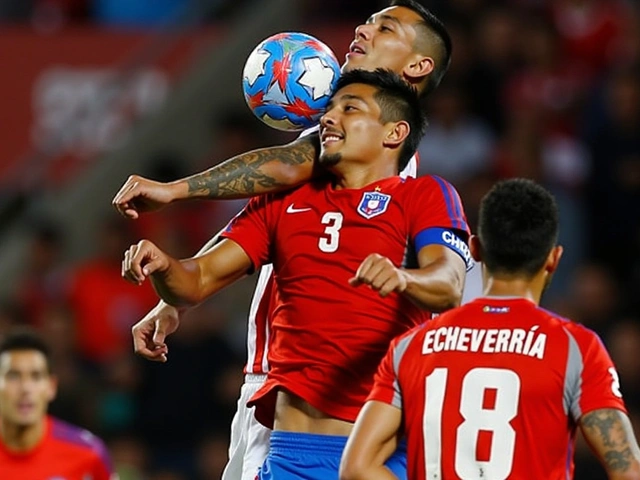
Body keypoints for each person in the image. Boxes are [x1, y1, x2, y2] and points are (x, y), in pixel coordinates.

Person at [113, 2, 460, 480]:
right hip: (284, 399)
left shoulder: (383, 169)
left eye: (386, 27)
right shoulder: (348, 161)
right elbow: (262, 216)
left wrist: (175, 190)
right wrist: (182, 288)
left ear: (418, 66)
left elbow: (289, 163)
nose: (363, 28)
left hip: (332, 409)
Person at [339, 178, 640, 480]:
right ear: (553, 258)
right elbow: (628, 469)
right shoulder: (576, 347)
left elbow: (357, 467)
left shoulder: (412, 345)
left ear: (475, 248)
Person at [0, 327, 118, 480]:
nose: (25, 388)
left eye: (36, 377)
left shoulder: (88, 454)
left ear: (51, 387)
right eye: (13, 376)